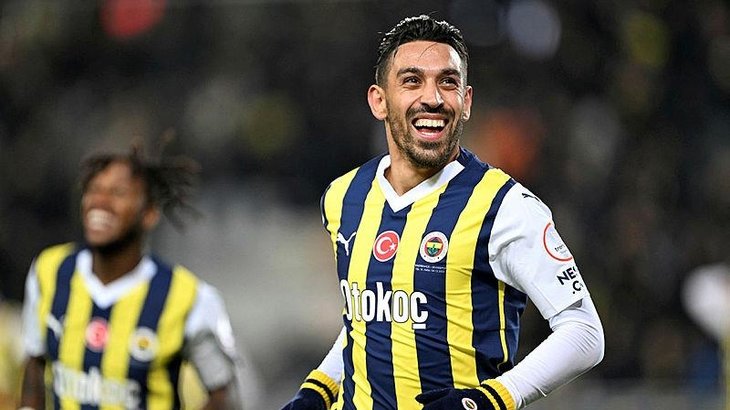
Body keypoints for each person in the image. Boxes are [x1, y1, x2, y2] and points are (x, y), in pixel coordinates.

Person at [281, 15, 604, 410]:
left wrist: (490, 399)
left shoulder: (505, 207)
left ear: (466, 102)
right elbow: (366, 326)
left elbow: (584, 332)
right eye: (412, 81)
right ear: (379, 101)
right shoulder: (343, 197)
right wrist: (318, 391)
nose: (432, 98)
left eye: (447, 82)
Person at [19, 143, 245, 409]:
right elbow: (35, 362)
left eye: (118, 193)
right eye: (93, 190)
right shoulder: (49, 271)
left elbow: (224, 395)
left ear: (149, 213)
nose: (100, 202)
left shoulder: (188, 298)